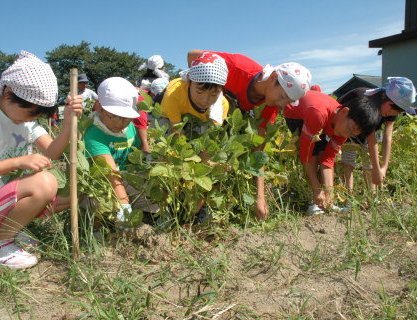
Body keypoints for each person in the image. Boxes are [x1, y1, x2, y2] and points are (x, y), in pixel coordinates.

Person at [0, 50, 82, 269]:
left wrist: (68, 121)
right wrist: (18, 162)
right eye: (30, 112)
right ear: (10, 92)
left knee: (71, 196)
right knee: (45, 182)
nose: (32, 118)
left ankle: (9, 233)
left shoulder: (26, 122)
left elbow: (52, 153)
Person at [187, 50, 312, 219]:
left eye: (287, 102)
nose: (280, 104)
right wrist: (198, 92)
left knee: (222, 157)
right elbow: (192, 54)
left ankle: (202, 208)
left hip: (226, 123)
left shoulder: (270, 108)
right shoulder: (237, 67)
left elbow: (257, 150)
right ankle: (188, 205)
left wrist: (260, 198)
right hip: (197, 113)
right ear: (274, 77)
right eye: (282, 96)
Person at [283, 90, 381, 215]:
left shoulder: (344, 128)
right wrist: (316, 188)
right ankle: (314, 201)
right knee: (313, 152)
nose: (347, 135)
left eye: (352, 134)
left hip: (322, 116)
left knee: (323, 153)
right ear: (344, 112)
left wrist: (330, 194)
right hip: (296, 113)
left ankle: (326, 201)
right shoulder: (318, 114)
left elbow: (328, 160)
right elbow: (305, 154)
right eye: (349, 129)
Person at [84, 77, 157, 228]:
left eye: (126, 118)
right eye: (115, 116)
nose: (120, 123)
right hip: (101, 182)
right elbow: (111, 173)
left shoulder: (128, 127)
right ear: (99, 107)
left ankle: (147, 217)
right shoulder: (94, 134)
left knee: (153, 190)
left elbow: (137, 154)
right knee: (98, 203)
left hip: (126, 177)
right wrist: (124, 202)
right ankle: (100, 227)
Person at [339, 77, 417, 191]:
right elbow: (371, 139)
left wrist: (383, 168)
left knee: (369, 163)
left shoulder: (393, 107)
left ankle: (372, 196)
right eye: (391, 109)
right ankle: (348, 195)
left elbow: (387, 136)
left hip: (366, 130)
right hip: (348, 125)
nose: (390, 113)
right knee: (348, 161)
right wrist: (377, 169)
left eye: (396, 112)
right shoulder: (368, 102)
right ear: (383, 96)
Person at [159, 52, 229, 131]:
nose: (205, 100)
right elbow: (176, 129)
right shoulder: (173, 95)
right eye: (199, 91)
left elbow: (213, 133)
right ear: (189, 81)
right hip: (166, 115)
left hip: (192, 117)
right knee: (164, 130)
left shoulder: (222, 104)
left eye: (214, 94)